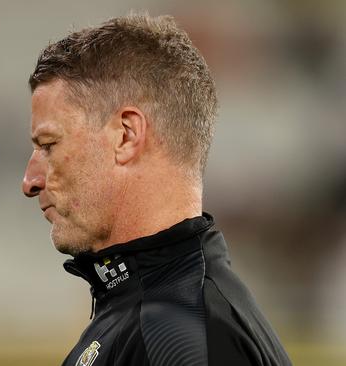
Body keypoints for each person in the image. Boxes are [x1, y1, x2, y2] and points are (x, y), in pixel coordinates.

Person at [22, 13, 291, 366]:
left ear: (126, 136)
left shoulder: (181, 335)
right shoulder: (149, 310)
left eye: (49, 145)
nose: (30, 181)